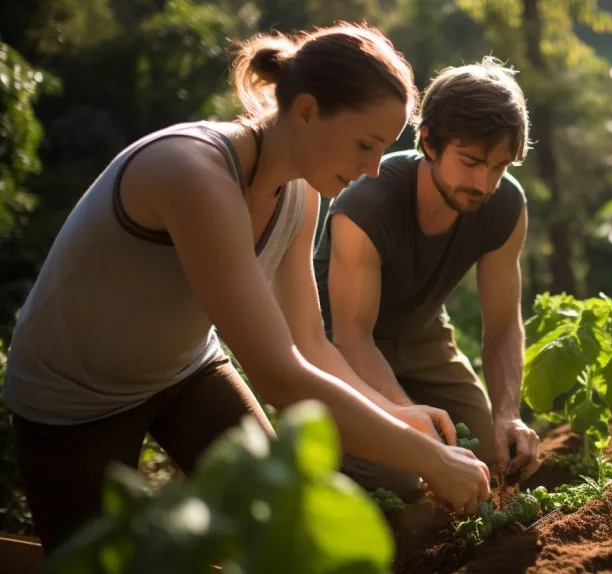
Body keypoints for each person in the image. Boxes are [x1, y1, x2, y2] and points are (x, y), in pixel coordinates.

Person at [0, 22, 492, 556]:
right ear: (305, 112)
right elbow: (279, 375)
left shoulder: (302, 193)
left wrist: (393, 412)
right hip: (75, 399)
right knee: (95, 565)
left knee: (284, 530)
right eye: (365, 145)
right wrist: (432, 461)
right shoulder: (191, 170)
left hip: (185, 371)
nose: (373, 170)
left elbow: (308, 341)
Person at [312, 57, 541, 498]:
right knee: (407, 485)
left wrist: (508, 414)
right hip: (338, 346)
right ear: (430, 142)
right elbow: (352, 338)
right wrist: (411, 424)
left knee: (493, 459)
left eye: (499, 166)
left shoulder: (506, 206)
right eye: (471, 161)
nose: (484, 182)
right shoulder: (367, 205)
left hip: (423, 335)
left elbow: (502, 325)